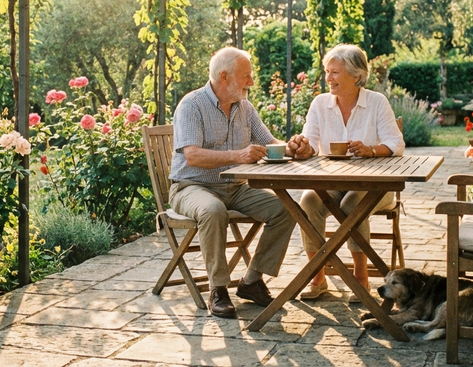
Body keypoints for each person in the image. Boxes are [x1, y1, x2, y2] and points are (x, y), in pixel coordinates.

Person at [169, 46, 296, 319]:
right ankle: (219, 289)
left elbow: (270, 143)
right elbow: (191, 156)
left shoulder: (245, 108)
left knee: (287, 209)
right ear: (224, 77)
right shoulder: (191, 106)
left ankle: (251, 281)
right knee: (213, 210)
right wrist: (238, 155)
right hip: (191, 187)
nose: (251, 82)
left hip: (236, 188)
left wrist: (295, 147)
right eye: (246, 76)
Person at [287, 44, 404, 301]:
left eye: (335, 72)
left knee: (352, 203)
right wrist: (302, 147)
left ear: (356, 75)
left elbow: (396, 144)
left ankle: (360, 278)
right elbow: (310, 141)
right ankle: (317, 277)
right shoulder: (320, 104)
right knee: (308, 201)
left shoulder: (376, 102)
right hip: (332, 181)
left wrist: (371, 150)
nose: (328, 78)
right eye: (327, 72)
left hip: (375, 185)